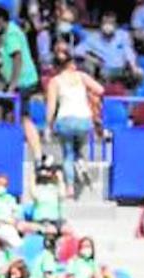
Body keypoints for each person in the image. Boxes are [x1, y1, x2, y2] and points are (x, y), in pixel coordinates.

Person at [0, 6, 41, 161]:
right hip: (14, 81)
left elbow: (17, 59)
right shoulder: (6, 33)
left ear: (1, 20)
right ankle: (3, 140)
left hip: (23, 81)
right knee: (1, 107)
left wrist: (12, 86)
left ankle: (37, 155)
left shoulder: (12, 34)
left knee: (23, 117)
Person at [46, 47, 102, 198]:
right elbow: (100, 89)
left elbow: (51, 107)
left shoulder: (55, 82)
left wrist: (48, 126)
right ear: (70, 63)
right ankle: (81, 162)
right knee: (78, 149)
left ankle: (70, 187)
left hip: (65, 120)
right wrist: (88, 94)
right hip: (84, 120)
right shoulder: (82, 77)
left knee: (67, 154)